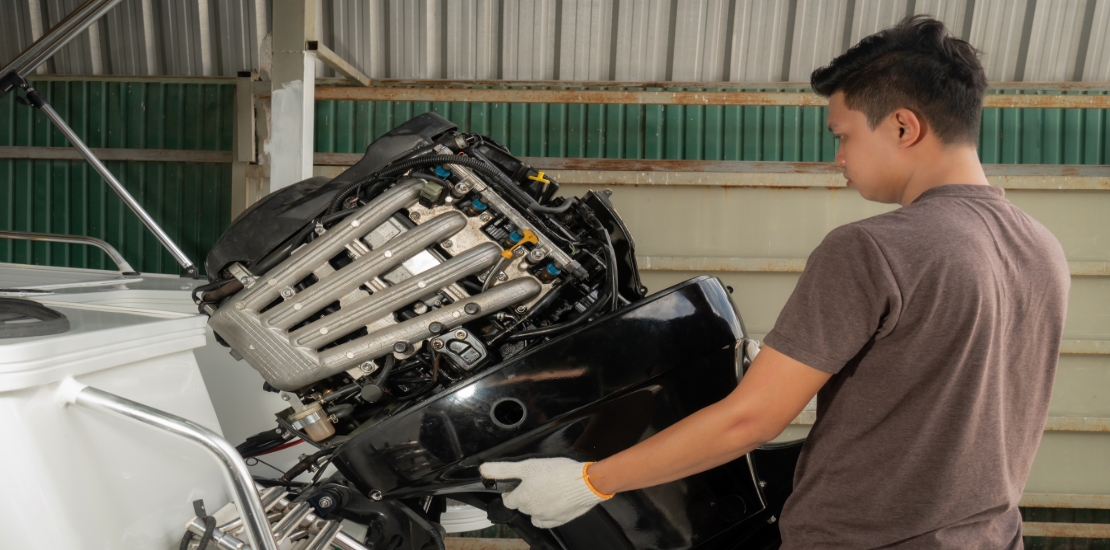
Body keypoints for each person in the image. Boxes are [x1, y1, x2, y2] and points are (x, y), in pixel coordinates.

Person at [480, 15, 1070, 549]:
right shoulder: (1041, 247)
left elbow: (750, 421)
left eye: (843, 136)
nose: (838, 158)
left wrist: (589, 481)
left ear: (902, 126)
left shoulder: (870, 248)